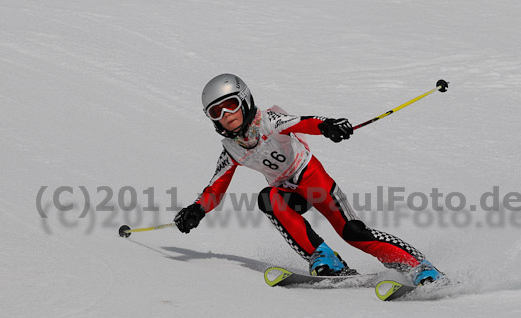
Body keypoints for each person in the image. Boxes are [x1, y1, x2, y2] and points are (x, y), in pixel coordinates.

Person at [174, 73, 445, 285]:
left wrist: (327, 125)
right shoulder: (231, 149)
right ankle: (325, 258)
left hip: (315, 182)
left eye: (230, 105)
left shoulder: (269, 120)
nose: (226, 116)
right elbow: (215, 187)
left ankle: (419, 267)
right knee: (268, 198)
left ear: (244, 100)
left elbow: (301, 122)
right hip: (289, 194)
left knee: (354, 233)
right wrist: (197, 209)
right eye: (215, 112)